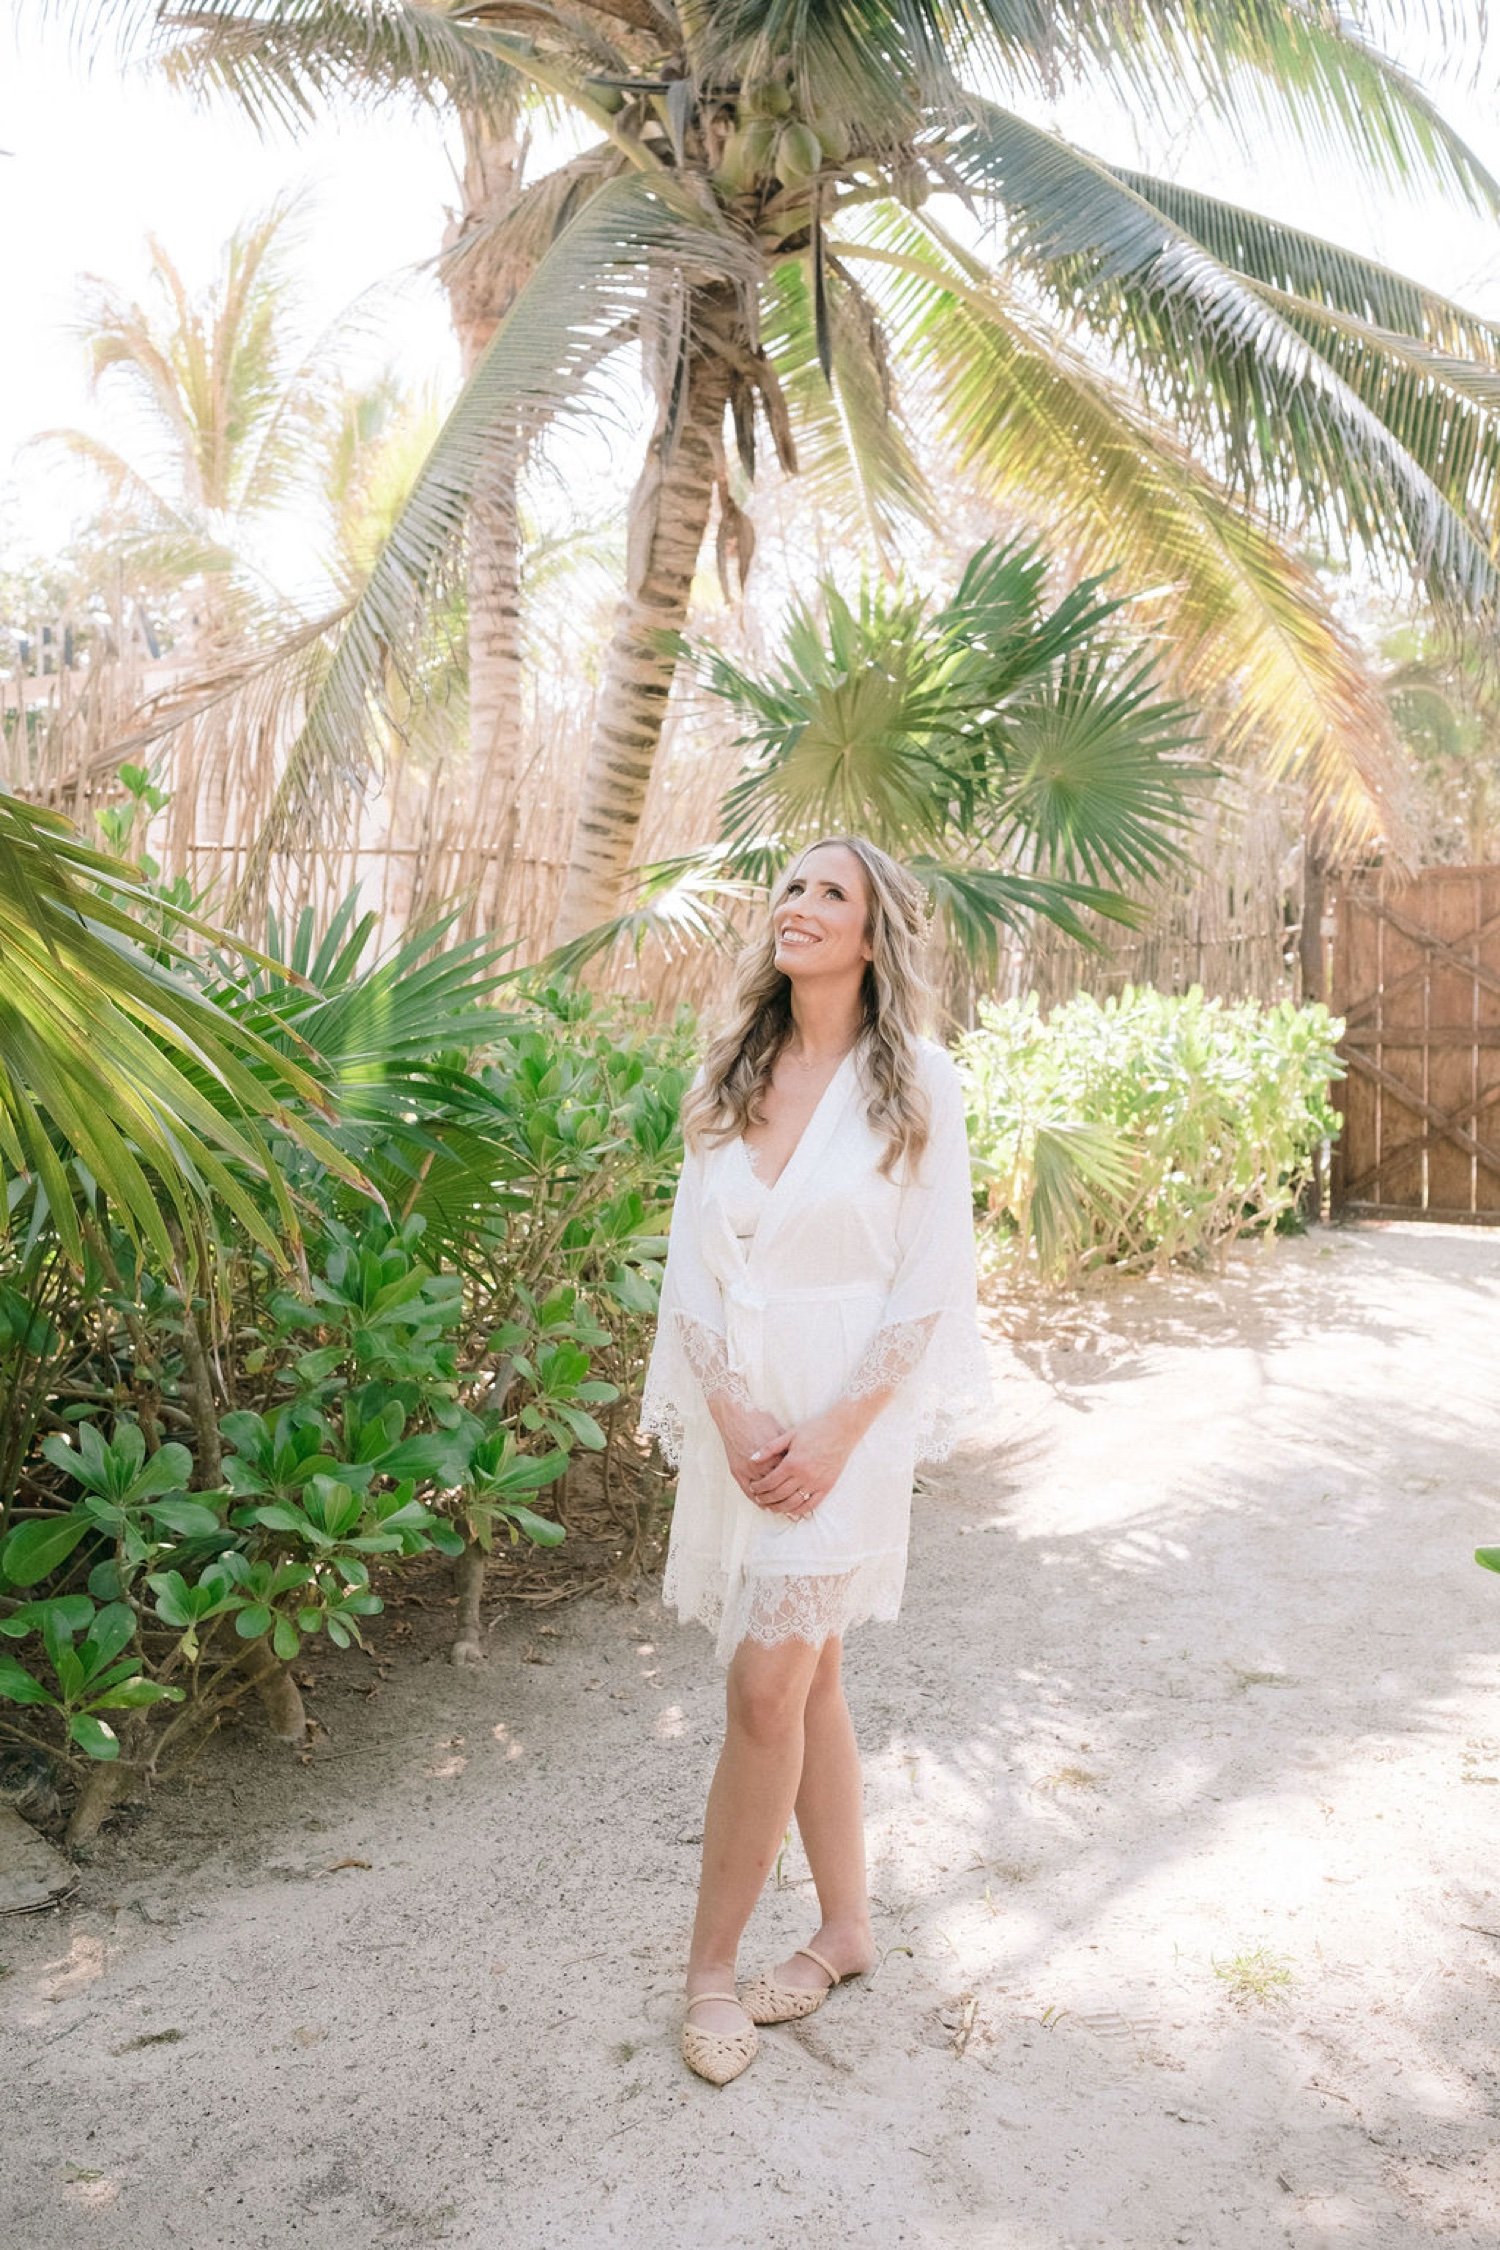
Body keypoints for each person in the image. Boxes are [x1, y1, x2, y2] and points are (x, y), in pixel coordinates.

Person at [640, 834, 990, 2086]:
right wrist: (731, 1414)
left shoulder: (922, 1090)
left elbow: (931, 1282)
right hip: (747, 1419)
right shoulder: (732, 1073)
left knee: (761, 1690)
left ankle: (708, 1976)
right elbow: (690, 1265)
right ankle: (846, 1932)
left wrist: (835, 1433)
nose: (797, 905)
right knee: (816, 1675)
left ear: (873, 934)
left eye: (828, 892)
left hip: (852, 1422)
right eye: (789, 886)